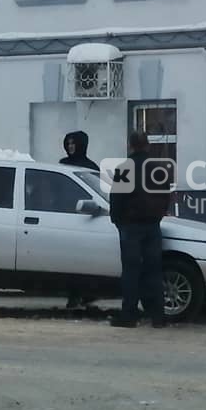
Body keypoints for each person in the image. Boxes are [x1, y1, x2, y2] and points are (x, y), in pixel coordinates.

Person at [108, 131, 171, 328]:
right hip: (152, 226)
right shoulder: (159, 169)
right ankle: (158, 317)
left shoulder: (125, 168)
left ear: (131, 146)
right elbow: (165, 197)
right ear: (148, 145)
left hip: (130, 226)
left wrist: (117, 220)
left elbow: (116, 198)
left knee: (131, 271)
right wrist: (158, 216)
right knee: (154, 271)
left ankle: (129, 316)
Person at [60, 130, 99, 308]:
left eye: (74, 143)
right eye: (68, 144)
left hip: (87, 216)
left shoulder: (90, 167)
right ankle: (74, 296)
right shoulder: (63, 164)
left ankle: (87, 294)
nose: (70, 147)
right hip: (65, 215)